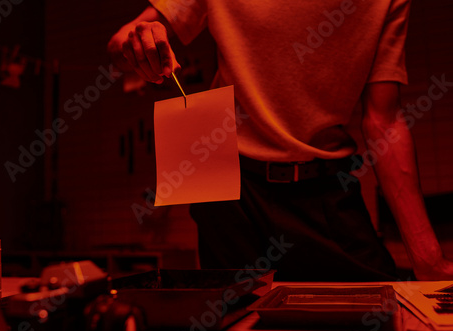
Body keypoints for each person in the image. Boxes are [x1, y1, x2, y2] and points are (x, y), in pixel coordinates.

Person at [108, 0, 453, 281]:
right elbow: (119, 44)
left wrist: (429, 261)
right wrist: (137, 42)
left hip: (326, 187)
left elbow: (385, 121)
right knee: (235, 320)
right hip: (231, 188)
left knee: (379, 309)